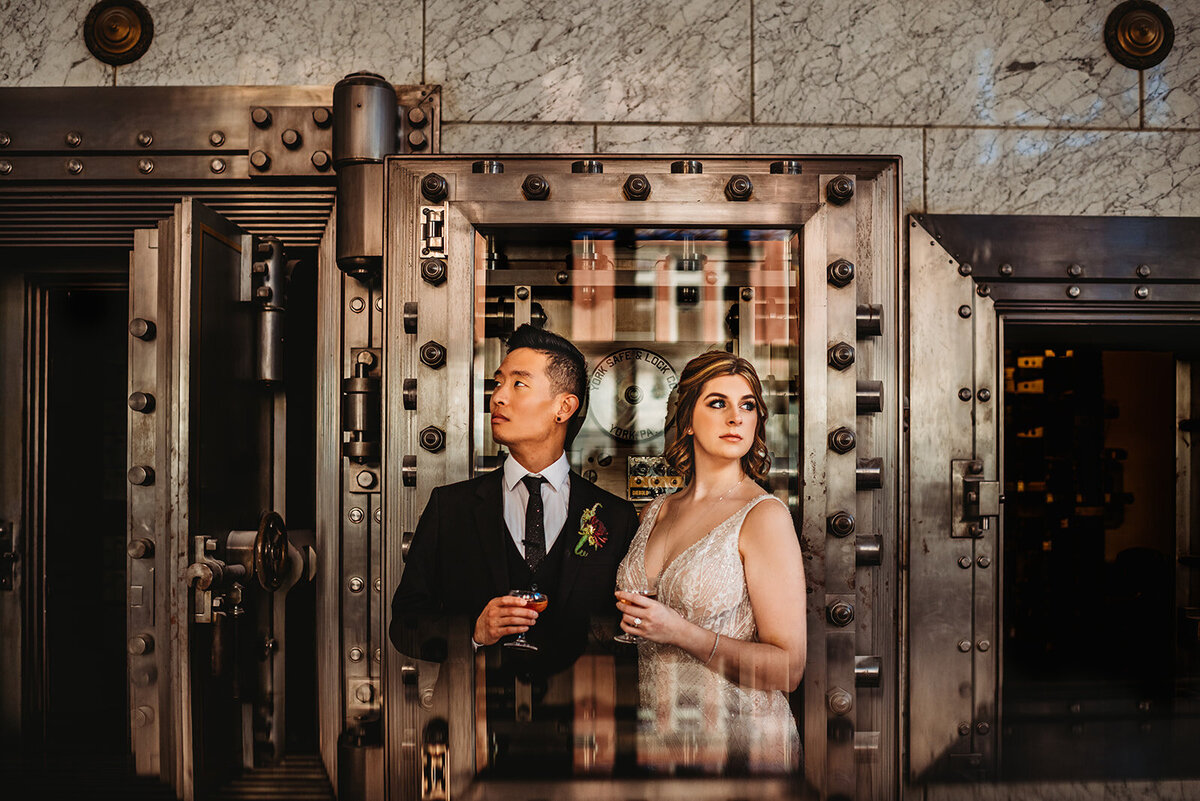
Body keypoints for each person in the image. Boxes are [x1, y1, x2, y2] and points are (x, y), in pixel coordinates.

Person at [390, 323, 639, 677]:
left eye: (518, 384)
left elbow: (624, 633)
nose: (498, 397)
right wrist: (473, 633)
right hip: (476, 717)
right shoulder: (450, 507)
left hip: (577, 719)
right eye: (498, 383)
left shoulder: (616, 517)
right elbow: (404, 625)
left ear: (564, 407)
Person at [614, 350, 805, 774]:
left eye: (748, 405)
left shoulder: (763, 516)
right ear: (686, 419)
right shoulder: (657, 511)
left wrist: (680, 632)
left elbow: (788, 669)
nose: (735, 417)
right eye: (717, 402)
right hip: (661, 746)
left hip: (743, 750)